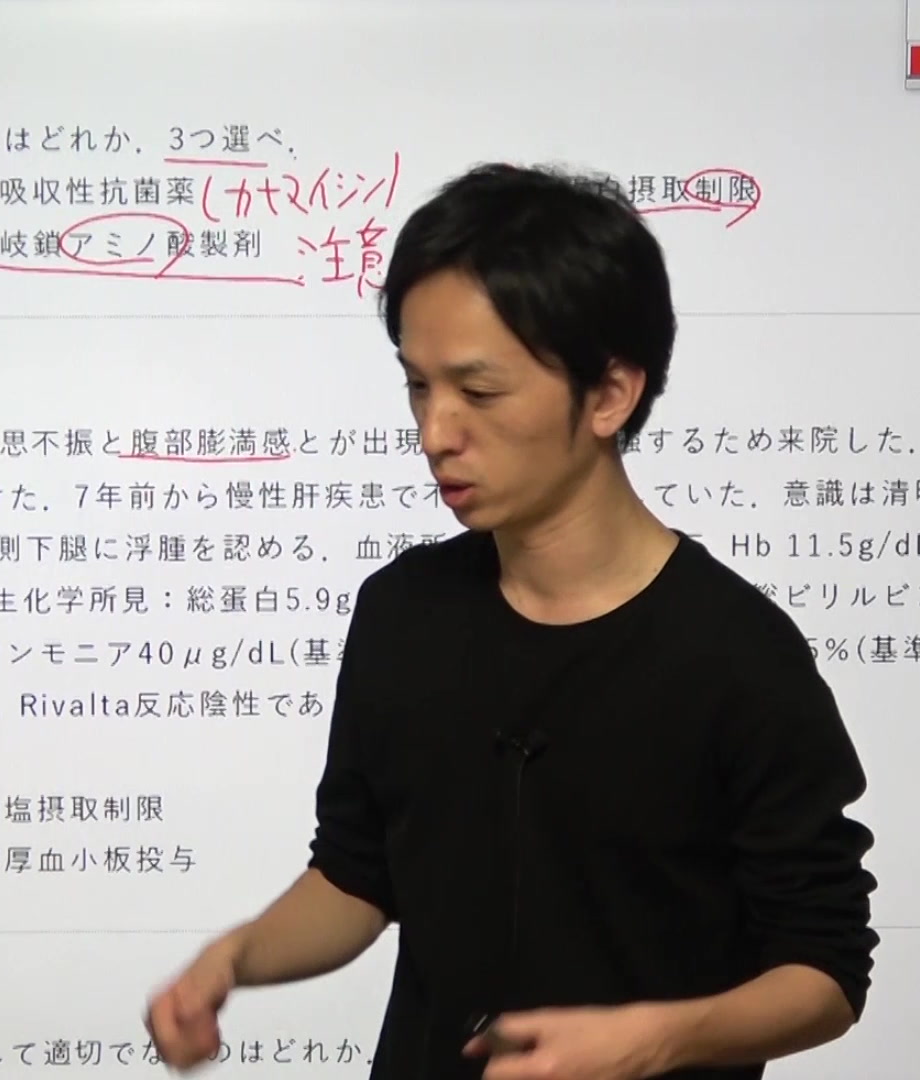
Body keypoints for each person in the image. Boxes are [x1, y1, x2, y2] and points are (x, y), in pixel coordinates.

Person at [141, 162, 880, 1080]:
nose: (435, 431)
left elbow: (825, 971)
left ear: (609, 394)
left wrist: (651, 1041)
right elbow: (356, 876)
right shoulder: (402, 611)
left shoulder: (737, 655)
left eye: (479, 392)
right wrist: (232, 960)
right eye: (418, 386)